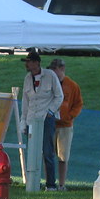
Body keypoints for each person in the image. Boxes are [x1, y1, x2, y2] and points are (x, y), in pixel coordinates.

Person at [20, 51, 63, 191]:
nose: (27, 64)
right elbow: (25, 102)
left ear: (37, 63)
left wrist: (51, 111)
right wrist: (23, 121)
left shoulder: (50, 75)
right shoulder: (27, 78)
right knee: (33, 151)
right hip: (32, 119)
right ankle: (32, 182)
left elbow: (59, 96)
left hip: (46, 119)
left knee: (47, 152)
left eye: (29, 61)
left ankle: (50, 184)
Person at [48, 58, 83, 191]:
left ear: (62, 69)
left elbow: (78, 104)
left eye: (55, 69)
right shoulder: (50, 84)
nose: (53, 72)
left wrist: (70, 116)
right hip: (51, 123)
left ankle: (62, 184)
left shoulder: (72, 85)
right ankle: (49, 182)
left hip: (65, 126)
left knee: (63, 156)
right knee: (49, 154)